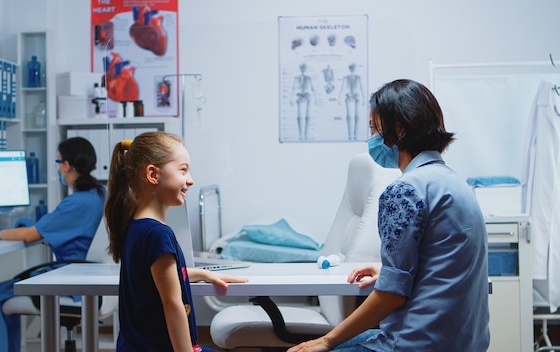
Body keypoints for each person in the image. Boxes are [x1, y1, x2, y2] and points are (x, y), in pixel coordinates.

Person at [288, 79, 490, 352]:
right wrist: (387, 270)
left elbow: (390, 295)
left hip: (416, 344)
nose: (370, 137)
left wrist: (326, 340)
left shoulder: (405, 191)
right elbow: (444, 265)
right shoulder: (457, 185)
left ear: (399, 130)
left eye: (373, 128)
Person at [104, 131, 247, 351]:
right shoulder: (157, 233)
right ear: (153, 174)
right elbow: (173, 304)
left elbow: (154, 278)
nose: (190, 180)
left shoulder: (135, 227)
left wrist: (202, 274)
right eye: (183, 170)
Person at [0, 137, 106, 352]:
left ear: (66, 166)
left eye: (58, 161)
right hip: (87, 275)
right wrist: (39, 227)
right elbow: (61, 229)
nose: (58, 166)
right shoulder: (98, 194)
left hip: (70, 280)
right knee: (4, 300)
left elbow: (30, 236)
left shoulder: (76, 201)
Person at [338, 63, 364, 141]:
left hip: (355, 96)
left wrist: (363, 98)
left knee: (356, 116)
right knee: (349, 116)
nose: (352, 69)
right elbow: (342, 88)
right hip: (348, 96)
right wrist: (339, 98)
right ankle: (350, 134)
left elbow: (361, 88)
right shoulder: (345, 78)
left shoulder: (358, 78)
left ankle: (355, 134)